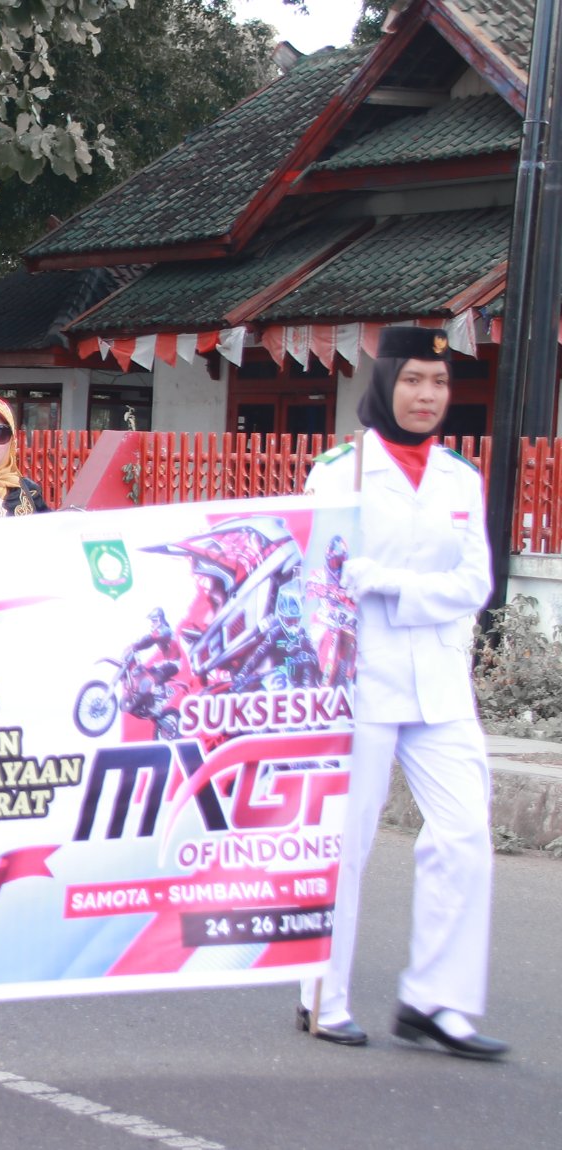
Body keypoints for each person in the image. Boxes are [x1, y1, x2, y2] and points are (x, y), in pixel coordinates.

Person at [295, 325, 506, 1059]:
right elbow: (323, 578)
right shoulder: (341, 472)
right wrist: (404, 591)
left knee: (464, 836)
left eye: (439, 382)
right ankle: (322, 996)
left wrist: (386, 584)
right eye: (413, 379)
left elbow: (475, 584)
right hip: (358, 679)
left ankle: (436, 1002)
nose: (427, 395)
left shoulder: (459, 477)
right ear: (386, 383)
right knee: (346, 842)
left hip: (440, 683)